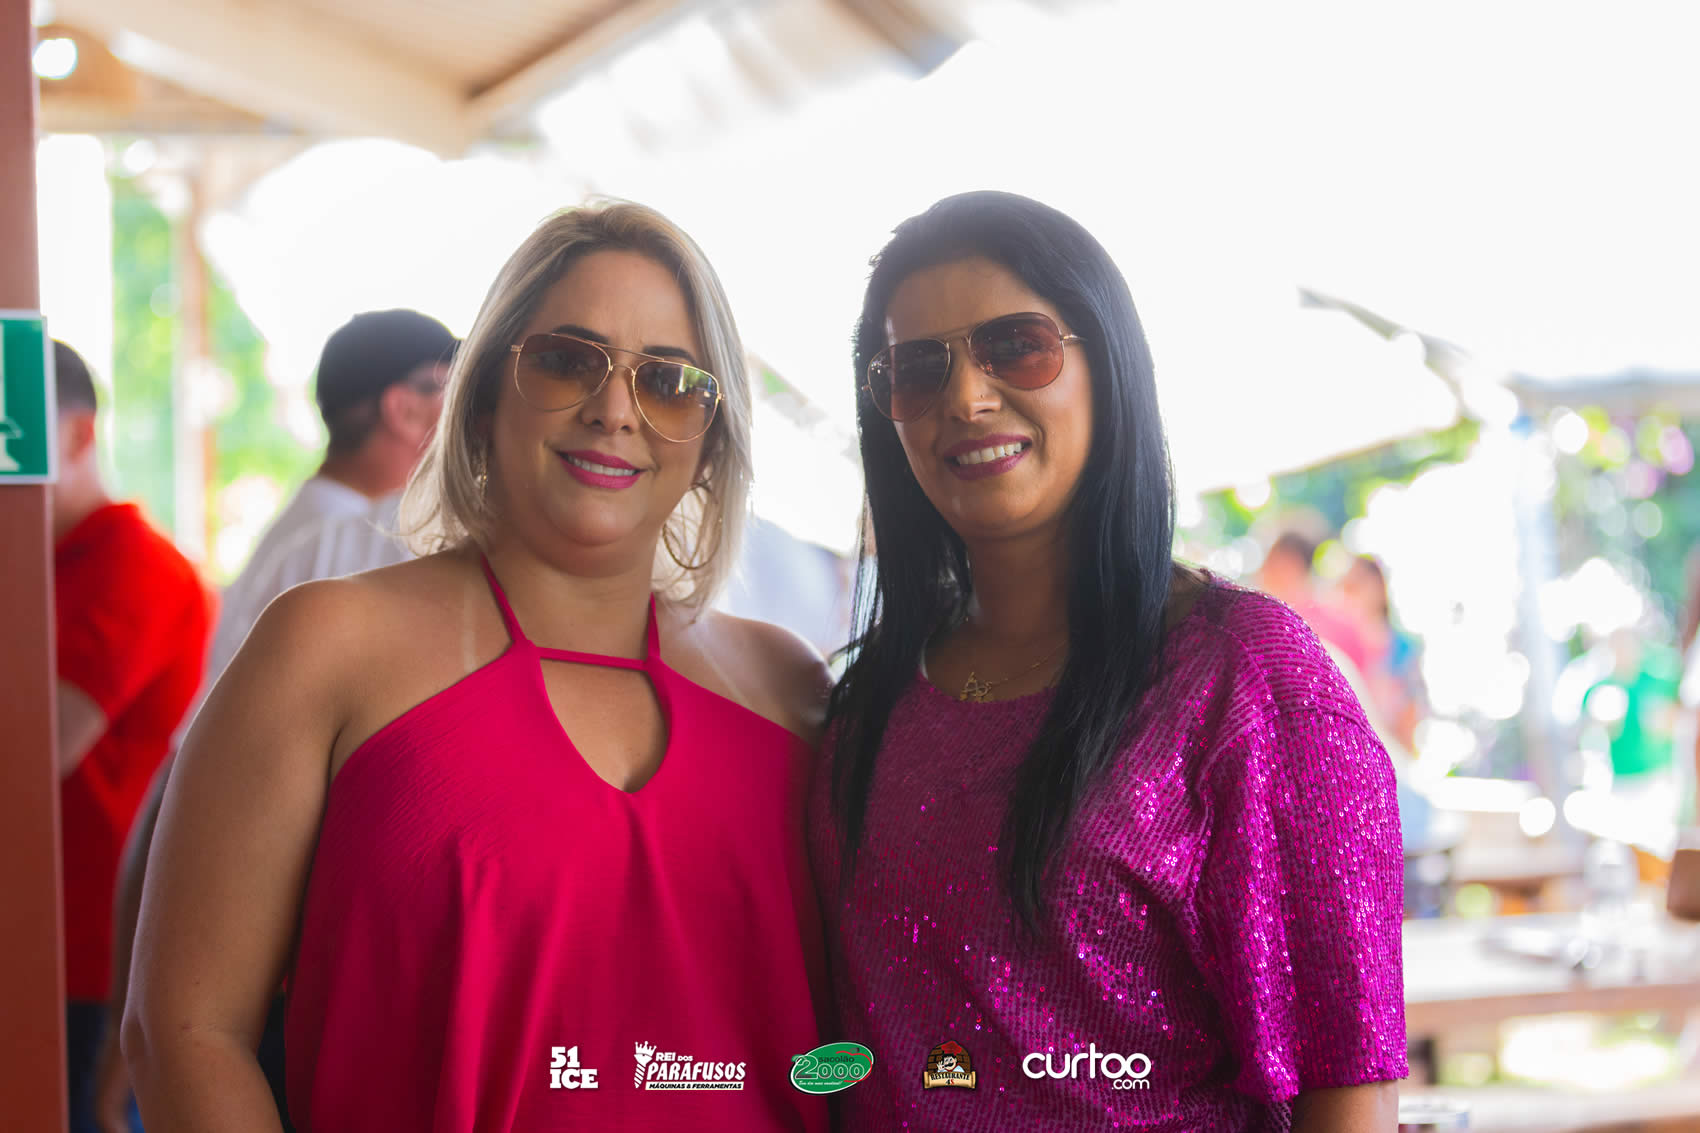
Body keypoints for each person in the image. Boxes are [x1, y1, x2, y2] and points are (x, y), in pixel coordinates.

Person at [124, 201, 831, 1132]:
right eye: (568, 359)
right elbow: (183, 1032)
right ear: (486, 392)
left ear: (713, 439)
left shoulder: (787, 689)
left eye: (669, 381)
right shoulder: (326, 646)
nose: (615, 408)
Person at [812, 192, 1405, 1130]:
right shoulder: (868, 704)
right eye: (917, 368)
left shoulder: (1246, 680)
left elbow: (1349, 1090)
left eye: (1017, 346)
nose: (966, 398)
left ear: (1110, 361)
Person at [92, 310, 453, 1132]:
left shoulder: (307, 541)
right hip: (296, 990)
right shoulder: (351, 547)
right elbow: (185, 790)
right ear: (405, 408)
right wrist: (134, 1015)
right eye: (459, 391)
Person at [49, 339, 216, 1133]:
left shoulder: (133, 565)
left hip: (94, 957)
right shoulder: (40, 563)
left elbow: (42, 745)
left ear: (79, 434)